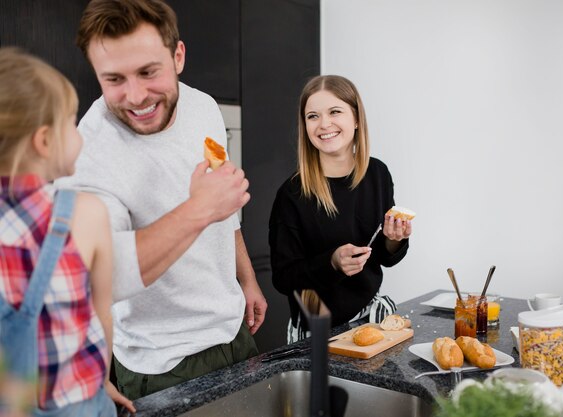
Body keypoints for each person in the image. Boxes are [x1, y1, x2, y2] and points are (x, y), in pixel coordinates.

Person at [57, 0, 267, 400]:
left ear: (178, 56)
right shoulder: (91, 151)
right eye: (114, 79)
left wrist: (247, 278)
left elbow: (223, 200)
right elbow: (104, 273)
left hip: (232, 331)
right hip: (161, 361)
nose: (135, 96)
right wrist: (197, 210)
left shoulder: (202, 106)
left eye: (148, 72)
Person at [0, 47, 134, 416]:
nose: (80, 134)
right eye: (71, 123)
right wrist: (102, 381)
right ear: (44, 142)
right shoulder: (83, 214)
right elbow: (101, 314)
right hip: (77, 404)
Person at [269, 75, 412, 343]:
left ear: (356, 119)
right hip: (316, 328)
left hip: (372, 318)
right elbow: (283, 278)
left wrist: (394, 240)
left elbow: (382, 256)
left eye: (335, 111)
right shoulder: (292, 194)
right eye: (313, 116)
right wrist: (332, 262)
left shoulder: (377, 174)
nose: (324, 124)